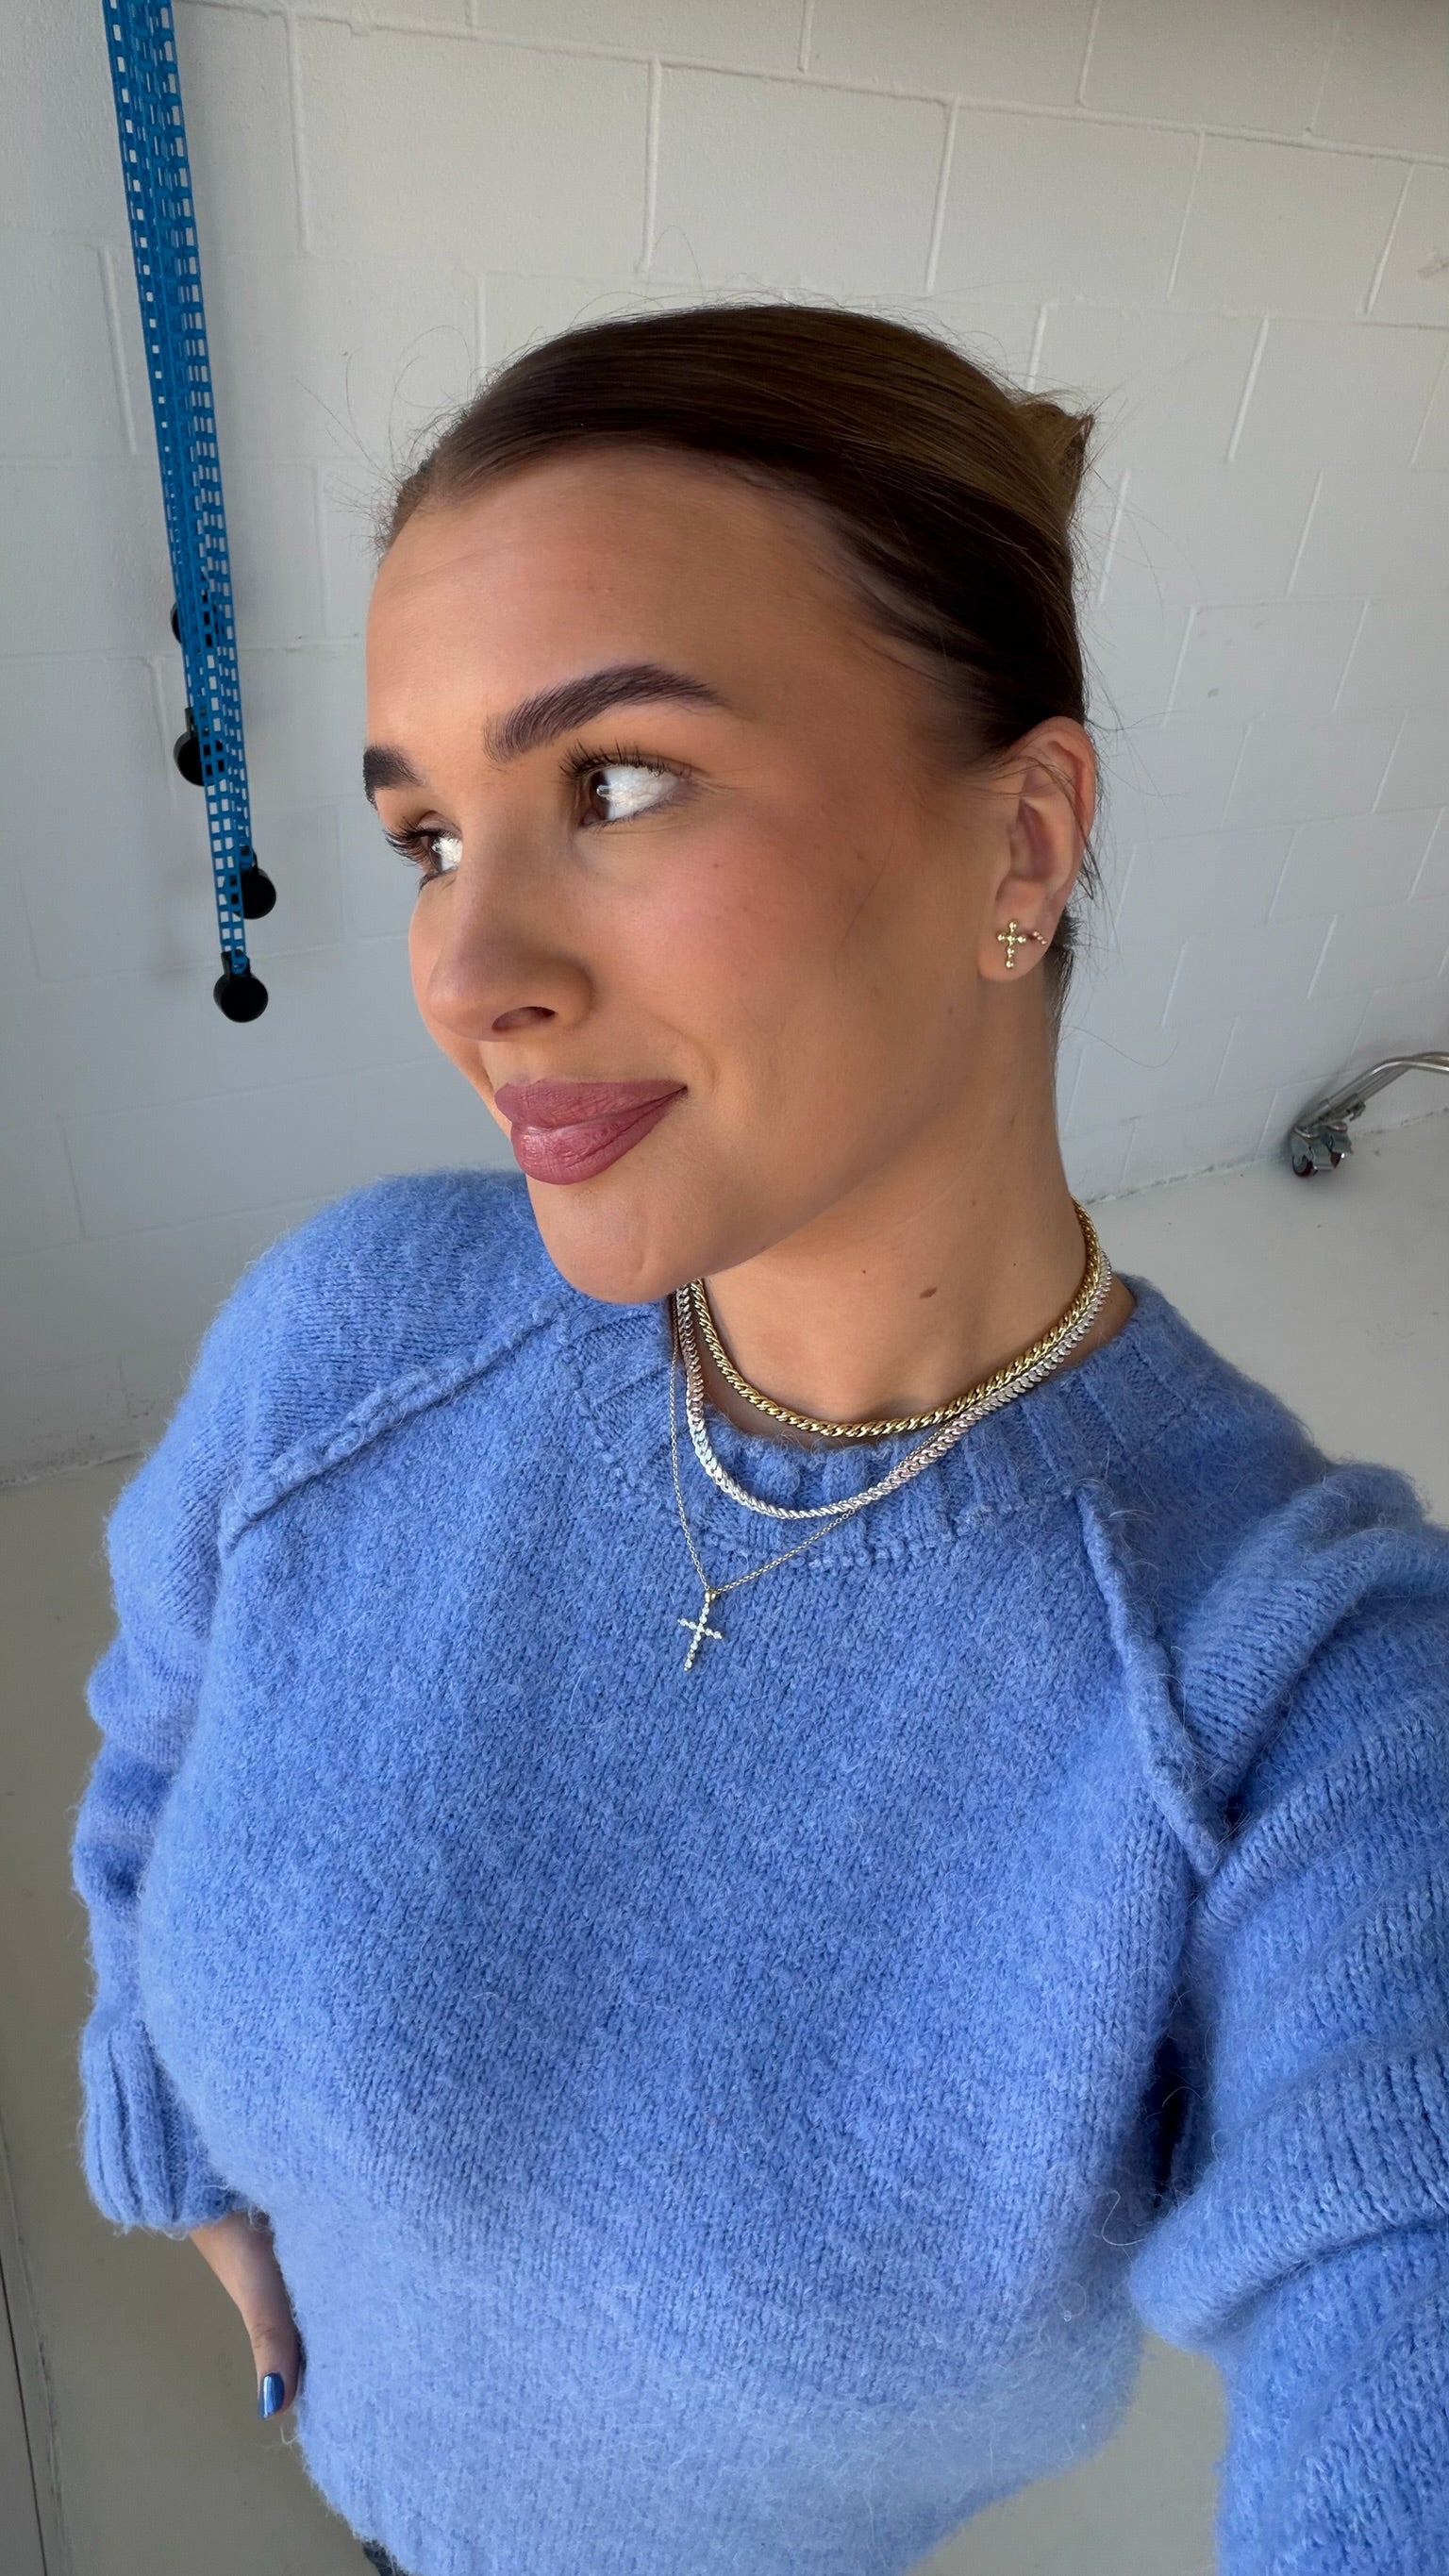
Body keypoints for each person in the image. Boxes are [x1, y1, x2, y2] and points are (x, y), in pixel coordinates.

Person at [71, 305, 1449, 2576]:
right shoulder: (351, 1333)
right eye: (428, 833)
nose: (463, 971)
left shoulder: (1290, 1696)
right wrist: (176, 2120)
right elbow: (156, 1737)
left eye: (614, 784)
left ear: (1024, 836)